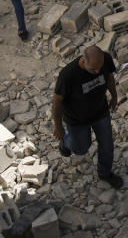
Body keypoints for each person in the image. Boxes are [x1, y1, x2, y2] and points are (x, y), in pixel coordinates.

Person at [52, 45, 123, 189]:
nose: (97, 72)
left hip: (100, 112)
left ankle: (105, 173)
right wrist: (58, 127)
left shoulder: (105, 60)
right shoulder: (68, 75)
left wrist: (114, 96)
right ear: (83, 61)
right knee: (82, 149)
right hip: (77, 120)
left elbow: (109, 76)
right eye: (93, 69)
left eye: (99, 68)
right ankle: (66, 142)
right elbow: (57, 102)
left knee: (107, 145)